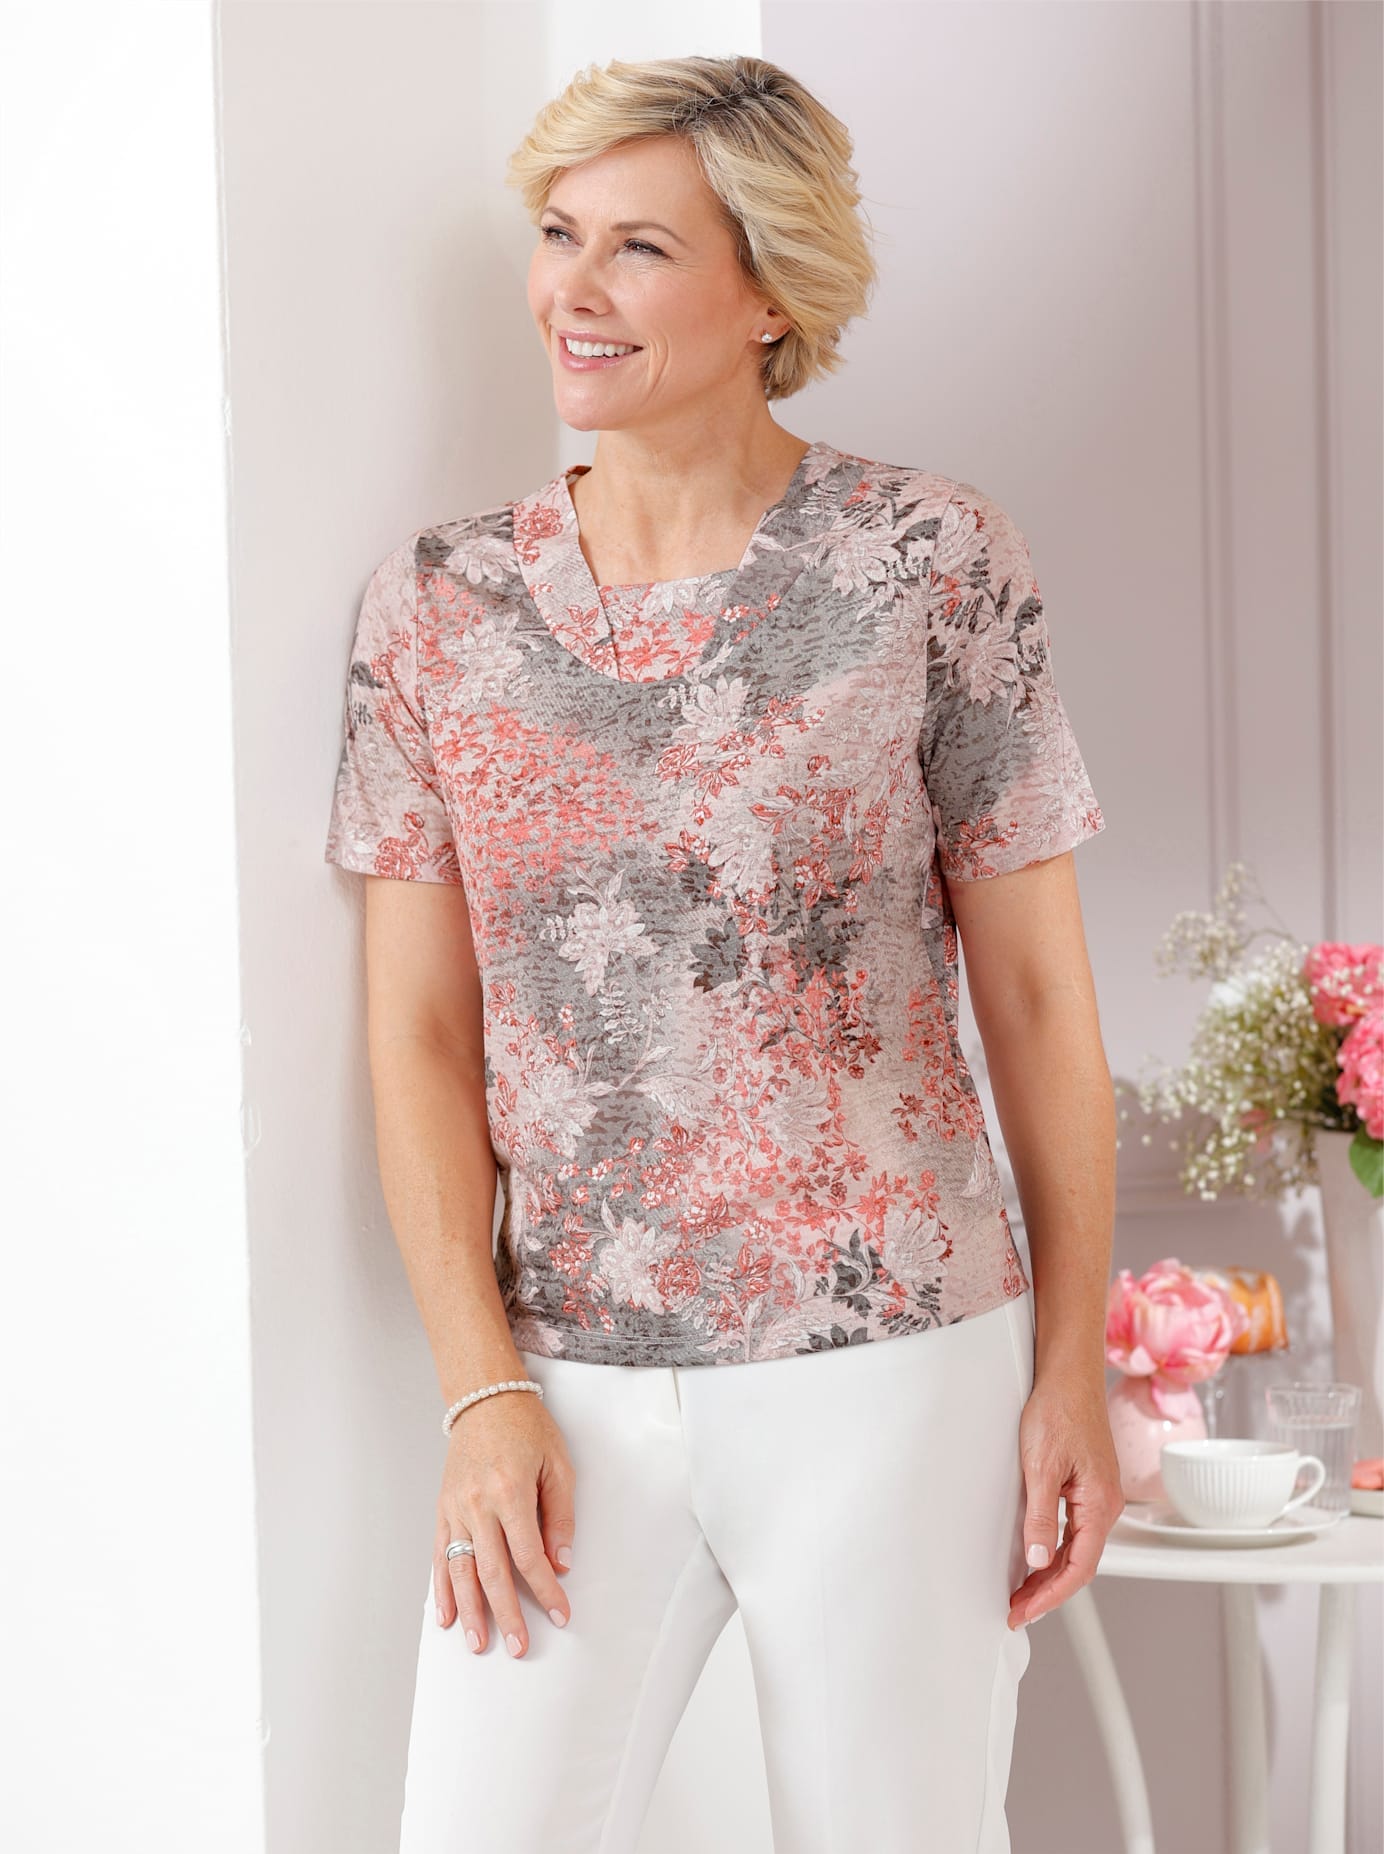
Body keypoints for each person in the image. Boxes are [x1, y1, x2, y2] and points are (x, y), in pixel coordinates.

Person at [324, 51, 1123, 1854]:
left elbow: (1037, 997)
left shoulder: (930, 562)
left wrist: (1069, 1362)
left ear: (771, 292)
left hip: (893, 1359)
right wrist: (480, 1386)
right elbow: (420, 1035)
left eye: (640, 248)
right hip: (567, 1377)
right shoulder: (438, 605)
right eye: (558, 235)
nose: (574, 290)